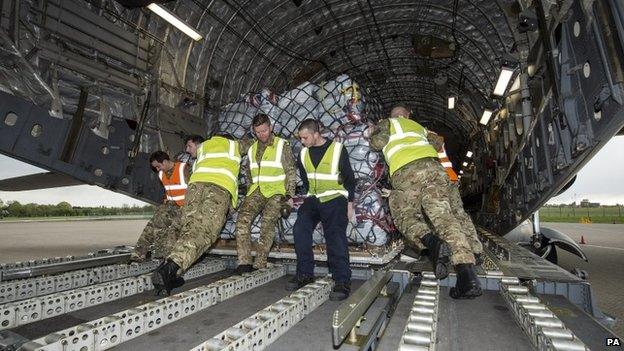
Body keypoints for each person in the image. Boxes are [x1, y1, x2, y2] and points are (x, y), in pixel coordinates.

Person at [367, 105, 482, 299]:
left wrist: (373, 133)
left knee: (405, 216)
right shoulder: (419, 128)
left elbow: (377, 143)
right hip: (434, 170)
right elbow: (437, 144)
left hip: (406, 172)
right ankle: (467, 275)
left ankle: (432, 243)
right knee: (444, 217)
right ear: (408, 115)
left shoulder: (388, 123)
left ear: (391, 116)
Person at [151, 133, 241, 295]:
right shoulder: (234, 145)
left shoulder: (204, 148)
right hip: (216, 190)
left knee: (188, 232)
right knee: (204, 234)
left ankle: (167, 272)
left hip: (194, 190)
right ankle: (169, 269)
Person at [287, 119, 355, 301]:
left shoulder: (338, 150)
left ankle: (342, 280)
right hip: (314, 198)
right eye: (300, 138)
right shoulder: (302, 154)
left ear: (316, 134)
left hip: (335, 198)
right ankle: (305, 274)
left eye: (305, 137)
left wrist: (350, 203)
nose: (302, 141)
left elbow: (349, 178)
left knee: (335, 235)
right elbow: (306, 180)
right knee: (300, 228)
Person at [233, 114, 297, 273]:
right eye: (258, 132)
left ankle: (260, 262)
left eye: (264, 130)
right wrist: (249, 189)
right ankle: (244, 262)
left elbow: (290, 171)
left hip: (276, 191)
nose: (262, 134)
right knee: (242, 220)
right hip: (257, 190)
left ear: (271, 127)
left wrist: (289, 196)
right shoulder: (252, 147)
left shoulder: (282, 145)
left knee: (267, 225)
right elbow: (248, 172)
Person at [428, 130, 484, 265]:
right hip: (450, 179)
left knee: (439, 216)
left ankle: (454, 250)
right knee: (459, 213)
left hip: (438, 181)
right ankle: (475, 249)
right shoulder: (434, 136)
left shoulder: (422, 137)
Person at [130, 151, 188, 262]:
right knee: (153, 223)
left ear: (165, 161)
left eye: (158, 166)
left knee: (172, 228)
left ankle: (167, 257)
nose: (157, 170)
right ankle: (139, 253)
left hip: (186, 207)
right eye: (155, 168)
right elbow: (169, 190)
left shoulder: (183, 169)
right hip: (171, 206)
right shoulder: (162, 174)